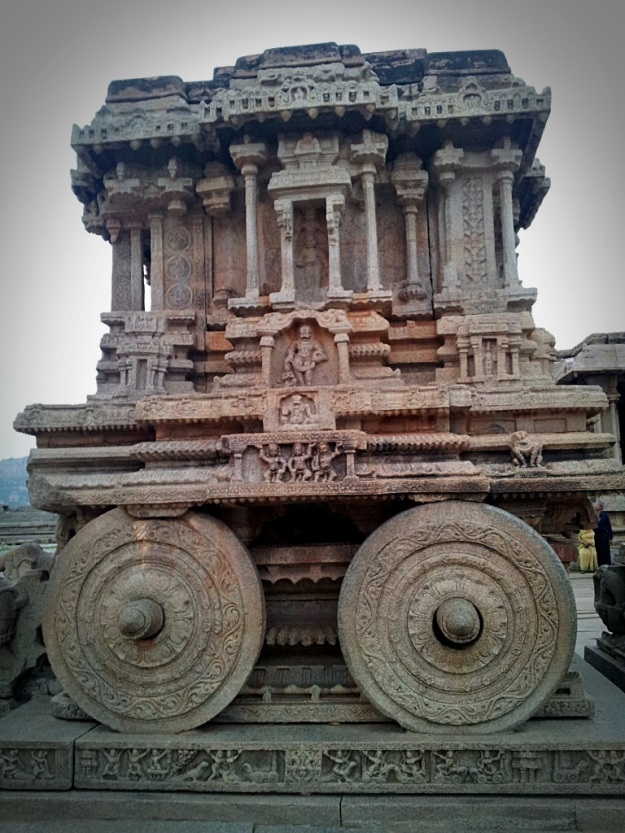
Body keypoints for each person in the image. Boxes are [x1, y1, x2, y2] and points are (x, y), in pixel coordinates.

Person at [594, 499, 613, 567]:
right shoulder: (593, 515)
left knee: (605, 552)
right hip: (595, 535)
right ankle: (599, 566)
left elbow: (609, 527)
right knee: (598, 551)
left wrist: (610, 538)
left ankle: (607, 566)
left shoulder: (605, 515)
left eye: (596, 504)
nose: (595, 505)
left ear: (600, 507)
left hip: (604, 536)